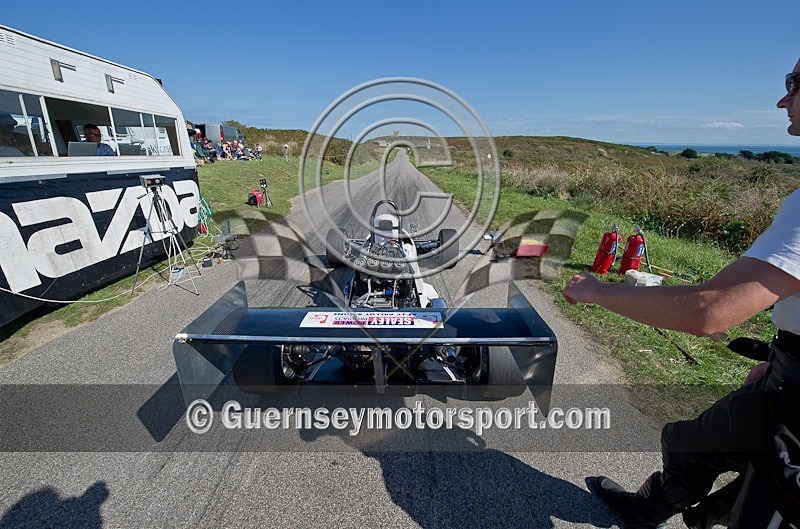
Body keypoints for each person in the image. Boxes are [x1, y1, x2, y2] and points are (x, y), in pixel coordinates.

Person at [563, 59, 800, 528]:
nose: (783, 99)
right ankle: (654, 508)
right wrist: (782, 357)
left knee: (760, 499)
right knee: (692, 441)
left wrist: (595, 291)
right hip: (787, 378)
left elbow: (709, 311)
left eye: (795, 83)